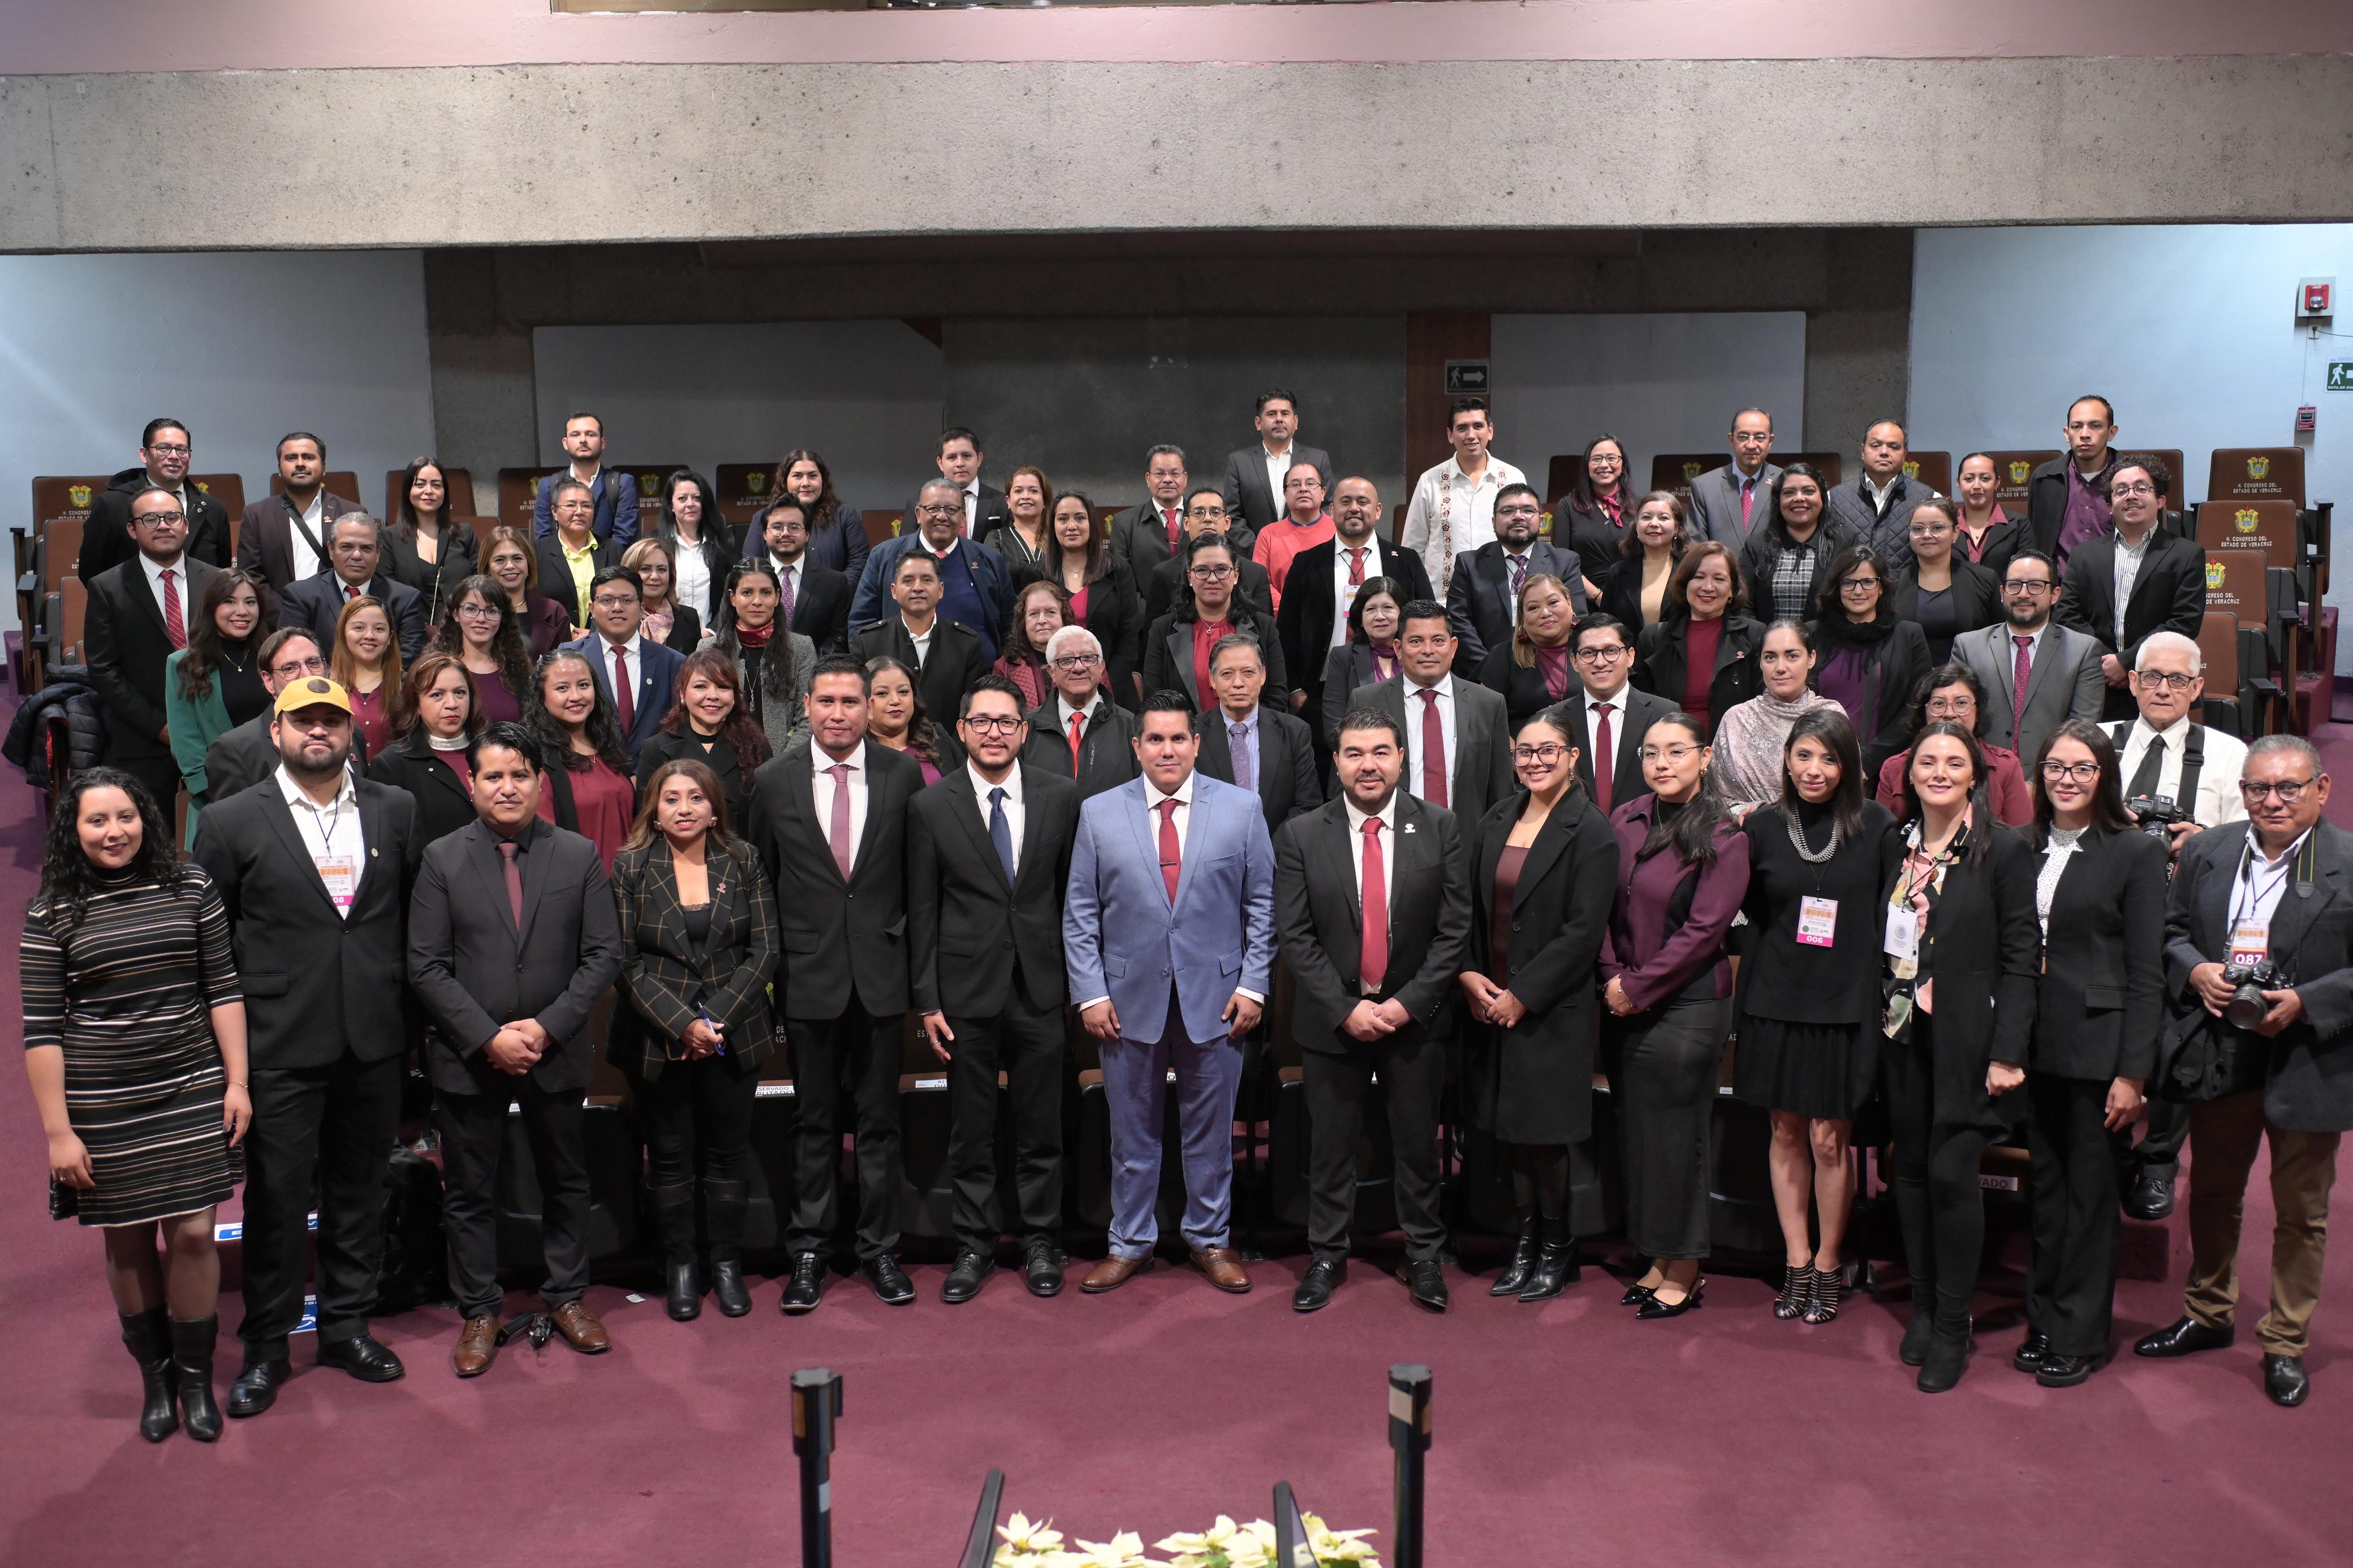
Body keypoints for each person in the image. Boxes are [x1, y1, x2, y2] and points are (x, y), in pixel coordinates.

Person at [193, 677, 421, 1416]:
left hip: (374, 1034)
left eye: (331, 719)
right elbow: (210, 940)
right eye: (303, 720)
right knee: (279, 1199)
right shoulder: (230, 820)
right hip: (280, 1041)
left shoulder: (395, 808)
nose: (318, 731)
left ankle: (347, 1326)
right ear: (277, 731)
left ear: (352, 730)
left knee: (360, 1189)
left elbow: (407, 913)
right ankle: (266, 1345)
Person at [24, 770, 248, 1443]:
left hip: (191, 1080)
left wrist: (238, 1082)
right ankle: (156, 1379)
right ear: (73, 831)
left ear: (145, 818)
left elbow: (223, 988)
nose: (114, 831)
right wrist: (59, 1133)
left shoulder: (191, 886)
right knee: (127, 1239)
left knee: (193, 1234)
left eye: (125, 816)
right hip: (103, 1099)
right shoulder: (52, 911)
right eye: (96, 821)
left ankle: (194, 1379)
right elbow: (42, 1030)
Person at [2134, 735, 2353, 1409]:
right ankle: (2207, 1311)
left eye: (2288, 787)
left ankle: (2284, 1341)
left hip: (2307, 1055)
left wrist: (2305, 1002)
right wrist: (2196, 970)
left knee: (2300, 1213)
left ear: (2320, 788)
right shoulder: (2208, 849)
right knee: (2211, 1191)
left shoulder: (2347, 861)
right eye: (2258, 787)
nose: (2272, 800)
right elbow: (2169, 932)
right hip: (2219, 1046)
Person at [407, 722, 623, 1374]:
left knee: (565, 1179)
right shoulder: (441, 858)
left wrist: (546, 1027)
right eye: (494, 776)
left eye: (519, 775)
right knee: (470, 1189)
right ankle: (479, 1308)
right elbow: (425, 966)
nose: (507, 787)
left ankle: (568, 1295)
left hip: (554, 1049)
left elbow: (603, 954)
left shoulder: (576, 855)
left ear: (537, 781)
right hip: (469, 1053)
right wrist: (488, 1036)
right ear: (473, 783)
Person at [1066, 694, 1276, 1294]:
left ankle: (1210, 1238)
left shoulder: (1241, 807)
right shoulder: (1099, 812)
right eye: (1154, 739)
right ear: (1137, 747)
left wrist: (1254, 985)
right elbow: (1080, 912)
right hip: (1125, 1001)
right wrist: (1090, 993)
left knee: (1210, 1135)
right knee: (1131, 1135)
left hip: (1219, 1000)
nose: (1167, 750)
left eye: (1177, 738)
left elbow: (1263, 905)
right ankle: (1129, 1242)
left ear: (1196, 743)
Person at [1275, 707, 1470, 1313]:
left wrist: (1407, 1005)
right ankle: (1326, 1254)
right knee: (1331, 1147)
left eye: (1380, 752)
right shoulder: (1301, 834)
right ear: (1335, 761)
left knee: (1416, 1145)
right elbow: (1295, 935)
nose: (1368, 765)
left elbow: (1453, 930)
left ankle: (1423, 1254)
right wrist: (1344, 1009)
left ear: (1401, 758)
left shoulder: (1439, 826)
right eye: (1355, 753)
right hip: (1333, 1022)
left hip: (1415, 1022)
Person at [745, 658, 925, 1312]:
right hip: (807, 978)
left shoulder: (902, 773)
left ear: (869, 708)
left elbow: (916, 880)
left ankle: (880, 1250)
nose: (839, 713)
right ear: (806, 706)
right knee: (812, 1122)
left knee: (880, 1122)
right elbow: (761, 886)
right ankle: (810, 1250)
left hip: (881, 976)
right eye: (827, 701)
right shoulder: (772, 781)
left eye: (851, 701)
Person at [907, 677, 1083, 1302]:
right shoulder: (931, 805)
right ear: (961, 730)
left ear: (1024, 731)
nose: (993, 732)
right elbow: (922, 908)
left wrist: (1078, 985)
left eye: (1006, 722)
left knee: (1042, 1127)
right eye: (981, 721)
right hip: (964, 992)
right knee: (970, 1129)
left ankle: (1041, 1241)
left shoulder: (1061, 796)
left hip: (1041, 986)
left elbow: (1074, 899)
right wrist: (927, 999)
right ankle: (974, 1245)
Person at [1881, 721, 2040, 1392]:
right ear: (1908, 774)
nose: (1939, 772)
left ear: (1975, 774)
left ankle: (1952, 1323)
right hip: (1899, 1036)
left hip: (1969, 1043)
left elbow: (2022, 957)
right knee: (1910, 1173)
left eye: (1953, 762)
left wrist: (2007, 1052)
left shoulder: (2003, 850)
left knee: (1951, 1176)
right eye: (1927, 762)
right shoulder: (1894, 844)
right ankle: (1922, 1306)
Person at [1735, 708, 1898, 1326]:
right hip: (1776, 997)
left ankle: (1829, 1262)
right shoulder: (1762, 825)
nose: (1814, 769)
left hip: (1845, 1002)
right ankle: (1796, 1260)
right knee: (1784, 1133)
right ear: (1786, 759)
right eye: (1803, 755)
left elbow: (1891, 918)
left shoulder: (1876, 825)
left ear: (1848, 765)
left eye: (1828, 758)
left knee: (1830, 1140)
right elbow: (1750, 910)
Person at [2018, 720, 2167, 1387]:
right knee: (2046, 1193)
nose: (2066, 779)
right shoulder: (2020, 845)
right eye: (2055, 766)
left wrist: (2132, 1072)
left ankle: (2079, 1333)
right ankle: (2043, 1320)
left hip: (2097, 1050)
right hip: (2031, 1044)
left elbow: (2146, 972)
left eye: (2081, 768)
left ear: (2103, 776)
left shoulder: (2133, 851)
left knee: (2088, 1196)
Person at [610, 758, 780, 1323]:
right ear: (654, 812)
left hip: (733, 1031)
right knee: (669, 1156)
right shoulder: (631, 865)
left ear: (714, 809)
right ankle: (680, 1264)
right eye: (671, 799)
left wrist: (714, 1019)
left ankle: (726, 1262)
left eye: (696, 798)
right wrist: (683, 1023)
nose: (684, 808)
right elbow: (624, 961)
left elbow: (765, 950)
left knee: (728, 1153)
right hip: (657, 1035)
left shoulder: (743, 859)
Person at [1460, 711, 1619, 1301]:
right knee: (1511, 1134)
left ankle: (1557, 1246)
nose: (1534, 761)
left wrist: (1523, 996)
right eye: (1524, 751)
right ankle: (1525, 1242)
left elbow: (1583, 932)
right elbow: (1469, 907)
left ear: (1572, 757)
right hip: (1489, 1003)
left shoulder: (1591, 831)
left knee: (1544, 1138)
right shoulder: (1497, 817)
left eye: (1547, 750)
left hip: (1548, 1011)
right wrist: (1467, 974)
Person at [1599, 712, 1748, 1319]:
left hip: (1687, 1004)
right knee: (1639, 1134)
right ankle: (1657, 1256)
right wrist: (1611, 976)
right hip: (1621, 997)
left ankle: (1685, 1266)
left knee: (1678, 1137)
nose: (1662, 763)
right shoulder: (1625, 817)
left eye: (1676, 751)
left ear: (1704, 757)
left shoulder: (1724, 834)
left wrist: (1636, 986)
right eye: (1652, 752)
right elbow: (1599, 904)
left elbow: (1704, 930)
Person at [2106, 629, 2250, 1221]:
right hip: (2107, 912)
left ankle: (2160, 1157)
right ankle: (2111, 1149)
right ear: (2132, 682)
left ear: (2197, 687)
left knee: (2178, 1032)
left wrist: (2204, 842)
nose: (2162, 688)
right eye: (2151, 677)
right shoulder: (2099, 741)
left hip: (2189, 918)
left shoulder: (2229, 754)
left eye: (2177, 679)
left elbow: (2254, 843)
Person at [87, 485, 221, 813]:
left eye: (172, 517)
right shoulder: (107, 588)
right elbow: (104, 671)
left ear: (185, 525)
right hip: (143, 736)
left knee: (222, 827)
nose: (163, 526)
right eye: (150, 519)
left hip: (215, 731)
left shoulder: (218, 581)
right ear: (132, 530)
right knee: (147, 830)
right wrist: (160, 727)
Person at [2055, 455, 2208, 722]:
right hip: (2096, 681)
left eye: (2141, 488)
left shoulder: (2187, 554)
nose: (2131, 496)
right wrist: (2107, 662)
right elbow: (2066, 615)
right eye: (2121, 490)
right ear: (2109, 505)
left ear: (2160, 500)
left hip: (2159, 682)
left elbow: (2185, 622)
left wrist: (2127, 662)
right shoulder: (2083, 555)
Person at [1277, 477, 1433, 736]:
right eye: (1345, 501)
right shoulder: (1307, 563)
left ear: (1378, 510)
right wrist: (1295, 690)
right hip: (1319, 692)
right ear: (1331, 510)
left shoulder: (1405, 560)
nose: (1354, 508)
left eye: (1363, 502)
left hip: (1396, 684)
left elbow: (1426, 622)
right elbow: (1287, 630)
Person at [1349, 599, 1514, 825]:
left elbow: (1501, 792)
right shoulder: (1366, 701)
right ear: (1398, 648)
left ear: (1453, 647)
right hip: (1389, 836)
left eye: (1438, 641)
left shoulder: (1489, 704)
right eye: (1416, 641)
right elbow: (1349, 783)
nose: (1428, 651)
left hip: (1467, 839)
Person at [1950, 550, 2106, 770]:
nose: (2023, 594)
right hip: (1980, 774)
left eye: (2035, 585)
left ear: (2055, 594)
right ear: (2003, 593)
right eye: (2015, 585)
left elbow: (2082, 730)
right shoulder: (1968, 646)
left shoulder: (2083, 650)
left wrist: (2038, 781)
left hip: (2050, 778)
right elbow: (1956, 720)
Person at [199, 630, 366, 807]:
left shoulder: (350, 731)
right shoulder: (235, 750)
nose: (307, 675)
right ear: (269, 681)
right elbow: (233, 822)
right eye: (290, 668)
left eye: (313, 663)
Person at [853, 480, 1014, 662]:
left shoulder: (990, 560)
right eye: (933, 509)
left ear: (963, 518)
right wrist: (877, 671)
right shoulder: (884, 556)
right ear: (918, 514)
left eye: (951, 510)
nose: (942, 516)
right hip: (900, 674)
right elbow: (861, 624)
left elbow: (1010, 624)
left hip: (979, 674)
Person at [165, 569, 269, 847]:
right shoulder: (184, 664)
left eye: (250, 602)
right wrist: (216, 790)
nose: (242, 611)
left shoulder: (275, 658)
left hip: (278, 790)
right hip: (218, 797)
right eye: (229, 602)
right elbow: (185, 740)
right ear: (211, 607)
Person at [1809, 545, 1930, 776]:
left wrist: (1867, 761)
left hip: (1884, 766)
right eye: (1848, 583)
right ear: (1837, 588)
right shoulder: (1813, 634)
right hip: (1817, 763)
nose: (1858, 591)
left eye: (1868, 582)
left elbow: (1915, 706)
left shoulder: (1908, 636)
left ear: (1882, 587)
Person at [1445, 482, 1584, 676]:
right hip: (1483, 674)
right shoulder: (1469, 564)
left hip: (1552, 672)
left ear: (1541, 520)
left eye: (1528, 510)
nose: (1518, 516)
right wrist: (1493, 669)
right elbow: (1459, 622)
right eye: (1508, 511)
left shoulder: (1564, 562)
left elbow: (1577, 619)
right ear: (1494, 521)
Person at [1869, 664, 2035, 827]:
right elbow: (1883, 836)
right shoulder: (1895, 768)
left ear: (1978, 713)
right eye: (1939, 704)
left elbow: (2021, 837)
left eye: (1961, 703)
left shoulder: (2005, 767)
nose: (1949, 714)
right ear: (1923, 712)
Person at [1142, 533, 1289, 715]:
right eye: (1202, 570)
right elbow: (1156, 701)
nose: (1212, 579)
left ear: (1236, 575)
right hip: (1185, 732)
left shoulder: (1264, 627)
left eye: (1221, 569)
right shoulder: (1162, 630)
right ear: (1189, 576)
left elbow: (1277, 698)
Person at [1022, 490, 1145, 707]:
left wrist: (1101, 685)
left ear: (1091, 523)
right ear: (1053, 526)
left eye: (1079, 518)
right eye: (1063, 519)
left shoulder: (1118, 571)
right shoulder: (1037, 574)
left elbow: (1128, 639)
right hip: (1053, 693)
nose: (1072, 526)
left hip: (1113, 692)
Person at [1630, 541, 1764, 738]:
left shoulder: (1754, 635)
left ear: (1732, 590)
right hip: (1668, 746)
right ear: (1685, 583)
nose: (1708, 587)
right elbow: (1639, 709)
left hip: (1734, 746)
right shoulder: (1653, 639)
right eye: (1699, 577)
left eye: (1719, 579)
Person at [1550, 612, 1676, 819]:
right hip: (1573, 835)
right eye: (1588, 653)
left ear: (1630, 656)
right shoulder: (1552, 720)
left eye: (1611, 651)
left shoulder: (1664, 713)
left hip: (1647, 831)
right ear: (1574, 661)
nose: (1600, 662)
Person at [1710, 621, 1842, 815]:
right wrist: (1740, 813)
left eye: (1792, 656)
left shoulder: (1832, 715)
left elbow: (1850, 788)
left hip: (1822, 826)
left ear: (1811, 659)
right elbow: (1713, 795)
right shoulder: (1736, 720)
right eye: (1770, 657)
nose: (1780, 667)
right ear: (1761, 663)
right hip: (1746, 829)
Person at [80, 417, 234, 582]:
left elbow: (222, 576)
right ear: (144, 455)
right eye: (164, 448)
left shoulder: (213, 510)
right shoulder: (113, 505)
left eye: (181, 450)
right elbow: (92, 573)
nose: (174, 456)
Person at [634, 647, 772, 830]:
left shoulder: (756, 746)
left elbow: (767, 821)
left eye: (723, 687)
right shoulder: (656, 750)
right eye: (701, 687)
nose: (713, 696)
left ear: (734, 696)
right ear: (682, 694)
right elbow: (648, 824)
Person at [1401, 396, 1527, 596]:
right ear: (1450, 435)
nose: (1471, 435)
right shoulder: (1430, 481)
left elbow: (1525, 540)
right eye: (1462, 428)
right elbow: (1413, 549)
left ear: (1490, 431)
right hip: (1443, 600)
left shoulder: (1513, 477)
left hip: (1502, 597)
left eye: (1478, 426)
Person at [1195, 633, 1321, 833]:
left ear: (1263, 676)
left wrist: (1267, 848)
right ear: (1212, 679)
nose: (1238, 683)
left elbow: (1308, 806)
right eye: (1227, 674)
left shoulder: (1295, 732)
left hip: (1278, 848)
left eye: (1248, 672)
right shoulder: (1192, 733)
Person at [854, 551, 993, 731]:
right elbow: (859, 707)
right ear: (894, 591)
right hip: (883, 746)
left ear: (941, 590)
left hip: (949, 746)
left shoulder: (967, 643)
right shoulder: (868, 642)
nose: (918, 587)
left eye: (927, 580)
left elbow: (973, 712)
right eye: (908, 581)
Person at [563, 565, 687, 766]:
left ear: (641, 608)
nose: (617, 607)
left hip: (654, 776)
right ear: (592, 609)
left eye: (627, 600)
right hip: (588, 772)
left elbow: (679, 728)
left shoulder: (672, 662)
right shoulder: (569, 658)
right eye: (607, 600)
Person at [525, 648, 637, 869]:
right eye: (562, 688)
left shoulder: (609, 747)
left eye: (584, 685)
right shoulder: (537, 761)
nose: (576, 696)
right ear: (542, 697)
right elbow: (544, 844)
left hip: (629, 881)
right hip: (580, 882)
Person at [235, 433, 360, 620]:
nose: (300, 463)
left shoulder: (351, 513)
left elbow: (359, 571)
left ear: (324, 468)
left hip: (339, 621)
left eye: (308, 457)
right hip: (278, 623)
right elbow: (251, 576)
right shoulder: (257, 515)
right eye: (291, 458)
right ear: (279, 468)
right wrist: (289, 614)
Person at [368, 651, 486, 845]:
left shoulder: (492, 752)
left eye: (460, 693)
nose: (452, 704)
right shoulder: (392, 764)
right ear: (416, 705)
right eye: (437, 695)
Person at [279, 514, 428, 666]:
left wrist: (371, 679)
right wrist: (339, 680)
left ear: (378, 553)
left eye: (366, 548)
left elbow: (410, 660)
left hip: (387, 681)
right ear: (331, 550)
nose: (357, 555)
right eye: (347, 547)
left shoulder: (405, 599)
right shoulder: (301, 596)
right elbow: (294, 657)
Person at [712, 561, 820, 760]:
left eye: (766, 593)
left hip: (784, 765)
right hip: (723, 765)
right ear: (732, 598)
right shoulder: (709, 649)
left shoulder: (801, 648)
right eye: (747, 593)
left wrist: (780, 766)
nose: (757, 601)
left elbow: (808, 718)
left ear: (777, 597)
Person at [1023, 625, 1141, 800]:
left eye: (1088, 658)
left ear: (1101, 667)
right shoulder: (1026, 730)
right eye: (1066, 660)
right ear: (1051, 672)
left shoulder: (1131, 727)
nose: (1079, 668)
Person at [1738, 462, 1858, 625]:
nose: (1799, 498)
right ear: (1778, 501)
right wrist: (1765, 638)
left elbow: (1854, 602)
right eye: (1789, 493)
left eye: (1809, 491)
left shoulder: (1845, 543)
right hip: (1765, 640)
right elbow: (1743, 607)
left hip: (1827, 639)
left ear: (1822, 498)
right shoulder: (1756, 545)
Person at [1890, 501, 2002, 664]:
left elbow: (2002, 636)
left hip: (1971, 675)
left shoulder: (1985, 579)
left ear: (1956, 533)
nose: (1927, 535)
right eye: (1918, 529)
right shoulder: (1893, 584)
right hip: (1911, 677)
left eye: (1937, 528)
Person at [1144, 489, 1276, 625]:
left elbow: (1265, 630)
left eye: (1216, 512)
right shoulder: (1164, 573)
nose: (1207, 518)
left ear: (1227, 522)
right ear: (1186, 523)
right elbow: (1154, 633)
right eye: (1198, 512)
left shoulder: (1256, 573)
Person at [743, 496, 852, 656]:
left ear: (807, 534)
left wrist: (808, 666)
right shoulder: (745, 580)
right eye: (777, 527)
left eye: (794, 527)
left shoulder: (834, 583)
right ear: (765, 534)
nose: (785, 533)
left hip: (815, 668)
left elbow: (839, 638)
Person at [1479, 573, 1583, 736]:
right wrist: (1514, 750)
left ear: (1569, 603)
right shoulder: (1503, 655)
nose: (1545, 613)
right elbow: (1484, 715)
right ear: (1523, 617)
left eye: (1553, 602)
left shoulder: (1591, 649)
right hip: (1523, 750)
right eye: (1534, 608)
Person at [1824, 420, 1938, 567]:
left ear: (1904, 453)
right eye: (1876, 445)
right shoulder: (1832, 499)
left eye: (1893, 447)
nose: (1884, 452)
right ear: (1863, 451)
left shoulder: (1930, 499)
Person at [381, 456, 479, 630]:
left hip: (463, 631)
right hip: (409, 633)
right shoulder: (388, 538)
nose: (429, 491)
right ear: (408, 491)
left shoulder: (465, 534)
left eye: (436, 485)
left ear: (444, 492)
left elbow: (481, 585)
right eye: (420, 484)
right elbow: (387, 595)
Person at [429, 573, 535, 728]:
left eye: (491, 611)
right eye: (471, 609)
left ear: (502, 617)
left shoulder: (518, 670)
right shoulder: (435, 670)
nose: (481, 619)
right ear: (456, 614)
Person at [2027, 394, 2121, 567]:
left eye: (2096, 426)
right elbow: (2036, 542)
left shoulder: (2131, 478)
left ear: (2112, 432)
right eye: (2077, 427)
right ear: (2067, 433)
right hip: (2059, 581)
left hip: (2119, 578)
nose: (2085, 434)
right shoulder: (2045, 478)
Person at [1219, 389, 1326, 538]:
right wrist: (1262, 547)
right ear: (1258, 423)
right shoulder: (1239, 462)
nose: (1279, 419)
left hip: (1309, 549)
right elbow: (1232, 516)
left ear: (1296, 422)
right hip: (1255, 550)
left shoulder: (1318, 458)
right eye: (1272, 414)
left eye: (1285, 413)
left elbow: (1327, 509)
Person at [1317, 577, 1408, 751]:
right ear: (1360, 618)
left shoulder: (1416, 654)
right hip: (1361, 758)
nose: (1380, 616)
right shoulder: (1342, 657)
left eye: (1388, 608)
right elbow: (1334, 728)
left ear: (1402, 614)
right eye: (1371, 609)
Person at [532, 411, 639, 545]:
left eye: (590, 434)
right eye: (575, 435)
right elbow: (543, 541)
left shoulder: (622, 484)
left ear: (603, 443)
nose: (583, 440)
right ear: (565, 443)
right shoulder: (549, 485)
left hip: (610, 559)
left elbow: (624, 539)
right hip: (560, 559)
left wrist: (590, 558)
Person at [1596, 490, 1690, 636]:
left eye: (1663, 518)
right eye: (1647, 517)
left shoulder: (1691, 570)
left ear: (1676, 528)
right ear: (1636, 526)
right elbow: (1606, 626)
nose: (1654, 524)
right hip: (1630, 650)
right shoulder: (1618, 573)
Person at [773, 448, 869, 588]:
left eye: (813, 476)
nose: (806, 483)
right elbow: (754, 565)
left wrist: (835, 594)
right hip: (779, 599)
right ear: (785, 481)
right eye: (797, 476)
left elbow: (859, 563)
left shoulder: (845, 515)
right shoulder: (765, 518)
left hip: (837, 598)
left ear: (822, 480)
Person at [534, 480, 619, 632]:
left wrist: (593, 633)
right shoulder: (537, 552)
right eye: (571, 505)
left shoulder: (613, 550)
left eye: (586, 506)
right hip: (553, 638)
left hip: (603, 638)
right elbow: (531, 602)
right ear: (554, 512)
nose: (579, 511)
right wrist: (570, 632)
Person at [1691, 408, 1782, 549]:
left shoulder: (1784, 482)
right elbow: (1696, 546)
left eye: (1760, 437)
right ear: (1731, 440)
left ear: (1770, 441)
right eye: (1743, 437)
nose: (1751, 445)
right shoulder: (1704, 487)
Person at [652, 469, 735, 625]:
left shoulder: (722, 545)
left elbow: (732, 597)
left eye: (696, 498)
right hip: (664, 634)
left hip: (711, 635)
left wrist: (711, 630)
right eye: (682, 499)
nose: (690, 504)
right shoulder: (655, 544)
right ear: (671, 505)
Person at [902, 427, 1012, 542]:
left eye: (967, 456)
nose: (960, 463)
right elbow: (907, 547)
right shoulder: (918, 503)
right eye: (952, 457)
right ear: (940, 463)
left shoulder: (1001, 502)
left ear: (979, 459)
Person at [1107, 444, 1197, 585]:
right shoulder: (1125, 523)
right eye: (1160, 474)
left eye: (1175, 473)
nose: (1167, 479)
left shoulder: (1203, 518)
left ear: (1185, 478)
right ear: (1148, 479)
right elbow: (1121, 580)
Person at [1554, 434, 1637, 584]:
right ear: (1587, 466)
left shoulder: (1640, 506)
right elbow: (1561, 562)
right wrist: (1597, 594)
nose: (1604, 465)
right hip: (1583, 594)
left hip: (1634, 592)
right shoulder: (1567, 507)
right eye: (1597, 459)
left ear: (1623, 466)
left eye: (1611, 458)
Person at [865, 654, 960, 786]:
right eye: (882, 693)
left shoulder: (936, 736)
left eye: (903, 692)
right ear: (864, 701)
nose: (895, 700)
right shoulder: (858, 753)